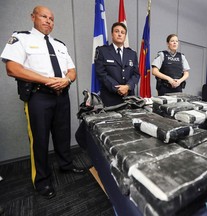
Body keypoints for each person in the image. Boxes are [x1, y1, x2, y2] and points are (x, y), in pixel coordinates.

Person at [1, 6, 84, 199]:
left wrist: (67, 80)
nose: (49, 21)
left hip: (62, 95)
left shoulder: (60, 45)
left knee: (63, 134)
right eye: (44, 16)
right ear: (33, 17)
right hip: (39, 97)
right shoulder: (21, 38)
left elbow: (72, 70)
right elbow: (12, 68)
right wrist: (46, 80)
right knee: (39, 140)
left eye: (52, 18)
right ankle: (42, 181)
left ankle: (66, 165)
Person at [94, 22, 140, 107]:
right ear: (112, 34)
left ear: (125, 36)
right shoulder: (102, 51)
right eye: (117, 31)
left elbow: (136, 74)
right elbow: (101, 73)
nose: (119, 34)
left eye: (122, 33)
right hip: (109, 98)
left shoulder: (132, 54)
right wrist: (118, 88)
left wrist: (128, 86)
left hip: (129, 98)